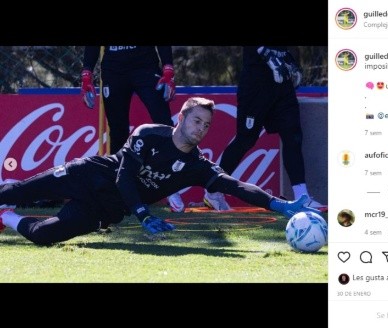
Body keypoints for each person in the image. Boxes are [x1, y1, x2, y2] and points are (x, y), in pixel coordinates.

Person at [0, 97, 320, 246]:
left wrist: (277, 204)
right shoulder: (148, 133)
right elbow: (125, 176)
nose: (201, 129)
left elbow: (234, 186)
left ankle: (6, 218)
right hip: (91, 175)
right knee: (17, 191)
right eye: (196, 121)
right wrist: (143, 214)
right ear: (180, 118)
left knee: (45, 235)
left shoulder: (196, 166)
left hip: (106, 207)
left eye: (207, 125)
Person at [204, 46, 325, 211]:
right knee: (245, 140)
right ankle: (213, 191)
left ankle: (302, 196)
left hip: (282, 83)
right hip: (256, 84)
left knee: (293, 136)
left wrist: (288, 57)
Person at [81, 46, 184, 212]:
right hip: (113, 69)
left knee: (163, 123)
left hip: (145, 65)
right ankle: (119, 191)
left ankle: (171, 187)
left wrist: (168, 67)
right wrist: (87, 73)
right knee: (118, 129)